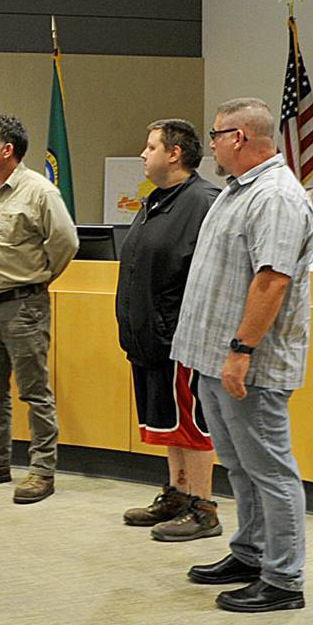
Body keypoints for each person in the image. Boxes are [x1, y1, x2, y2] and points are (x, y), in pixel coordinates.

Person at [171, 98, 313, 613]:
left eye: (215, 134)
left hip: (247, 364)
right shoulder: (237, 191)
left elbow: (272, 280)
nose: (209, 144)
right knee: (240, 467)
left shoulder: (275, 195)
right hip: (215, 359)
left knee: (271, 471)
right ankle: (251, 553)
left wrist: (241, 351)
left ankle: (283, 579)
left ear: (239, 137)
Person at [0, 114, 78, 504]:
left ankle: (42, 471)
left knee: (34, 392)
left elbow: (66, 242)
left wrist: (38, 279)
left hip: (23, 305)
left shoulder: (39, 191)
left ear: (7, 150)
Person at [117, 119, 221, 541]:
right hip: (150, 336)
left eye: (150, 146)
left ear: (174, 154)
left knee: (191, 425)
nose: (143, 154)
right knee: (167, 423)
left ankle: (204, 507)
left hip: (182, 337)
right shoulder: (156, 200)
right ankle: (178, 494)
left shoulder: (204, 202)